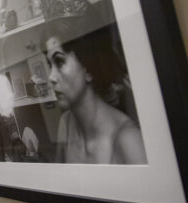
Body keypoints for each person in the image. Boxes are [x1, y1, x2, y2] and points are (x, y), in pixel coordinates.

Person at [44, 17, 147, 165]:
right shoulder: (65, 124)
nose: (51, 77)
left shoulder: (128, 141)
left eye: (60, 62)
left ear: (88, 68)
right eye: (49, 65)